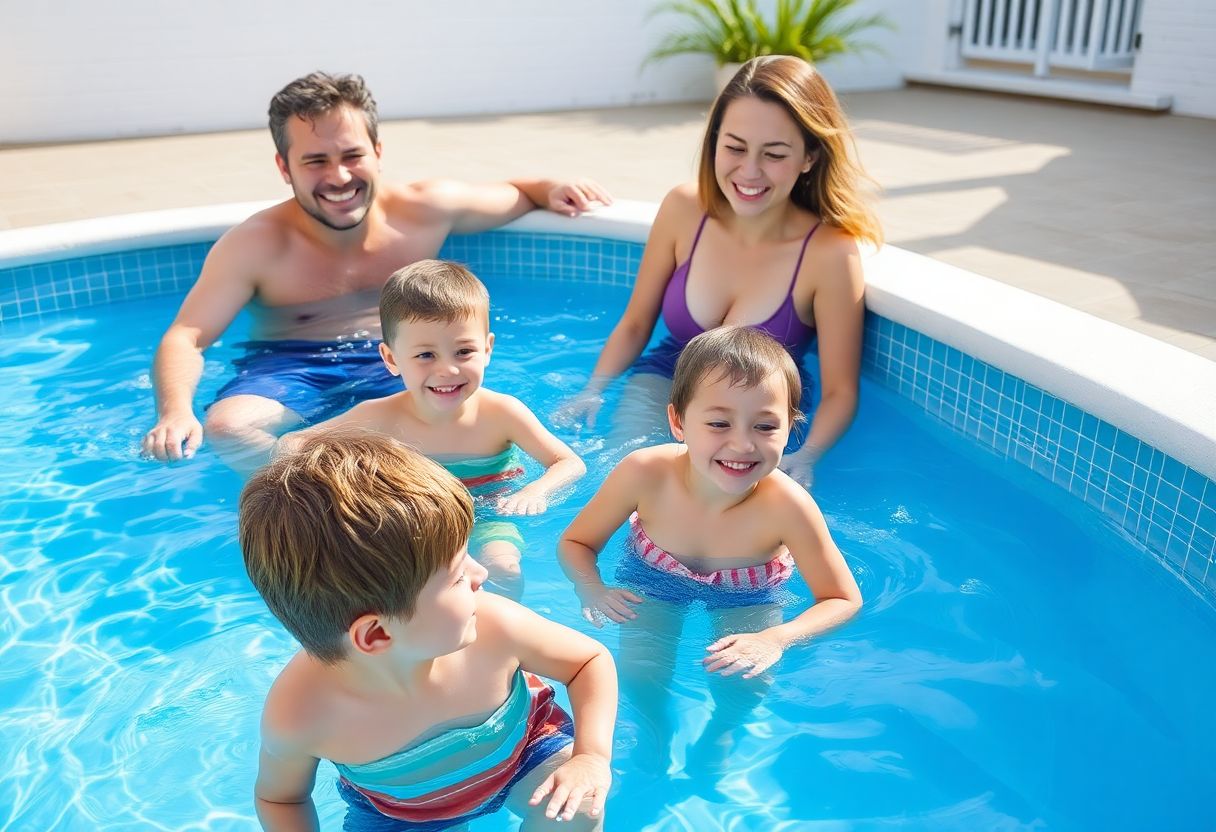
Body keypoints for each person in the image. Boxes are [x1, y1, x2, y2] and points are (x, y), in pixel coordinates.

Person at [141, 71, 611, 473]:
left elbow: (514, 192)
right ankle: (320, 506)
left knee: (447, 430)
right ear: (285, 167)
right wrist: (176, 411)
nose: (340, 177)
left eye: (351, 156)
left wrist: (549, 185)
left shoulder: (424, 209)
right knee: (230, 428)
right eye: (316, 161)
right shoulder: (256, 244)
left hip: (408, 356)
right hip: (290, 363)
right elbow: (188, 335)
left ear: (378, 152)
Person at [240, 431, 616, 830]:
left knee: (577, 806)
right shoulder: (301, 715)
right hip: (404, 813)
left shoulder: (495, 627)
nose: (480, 573)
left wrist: (591, 756)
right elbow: (280, 798)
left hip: (525, 756)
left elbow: (588, 661)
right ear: (375, 636)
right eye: (456, 577)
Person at [556, 55, 880, 486]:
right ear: (713, 143)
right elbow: (636, 323)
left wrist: (807, 456)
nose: (749, 171)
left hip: (761, 411)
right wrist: (592, 389)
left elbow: (842, 390)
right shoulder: (684, 210)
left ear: (810, 156)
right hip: (667, 379)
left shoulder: (830, 253)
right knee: (628, 482)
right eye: (734, 147)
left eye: (774, 154)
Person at [557, 326, 861, 774]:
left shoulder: (788, 506)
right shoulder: (646, 473)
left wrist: (775, 638)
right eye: (719, 423)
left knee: (747, 683)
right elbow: (576, 543)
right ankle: (655, 728)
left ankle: (723, 728)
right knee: (641, 674)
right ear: (678, 422)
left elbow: (842, 598)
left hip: (747, 593)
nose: (742, 444)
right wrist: (592, 589)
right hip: (652, 578)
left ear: (789, 428)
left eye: (765, 426)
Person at [292, 259, 586, 600]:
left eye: (463, 351)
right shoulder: (380, 417)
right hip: (418, 518)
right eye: (425, 355)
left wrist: (535, 491)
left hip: (490, 512)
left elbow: (569, 462)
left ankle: (500, 645)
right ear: (391, 359)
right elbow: (294, 443)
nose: (447, 369)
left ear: (487, 348)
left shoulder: (501, 412)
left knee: (504, 570)